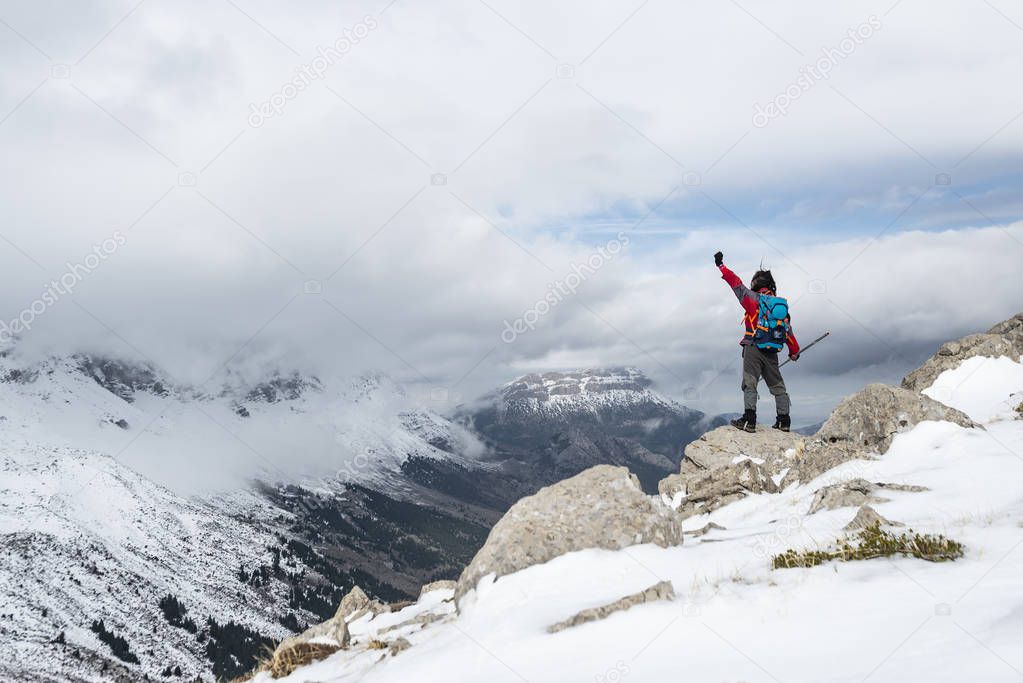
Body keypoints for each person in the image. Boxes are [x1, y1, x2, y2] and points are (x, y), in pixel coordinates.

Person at [714, 251, 800, 432]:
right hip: (772, 351)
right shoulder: (780, 309)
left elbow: (735, 283)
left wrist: (721, 266)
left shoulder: (753, 300)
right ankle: (784, 421)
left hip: (753, 348)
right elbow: (789, 334)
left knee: (750, 382)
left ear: (755, 285)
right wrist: (794, 352)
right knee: (777, 385)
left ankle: (749, 420)